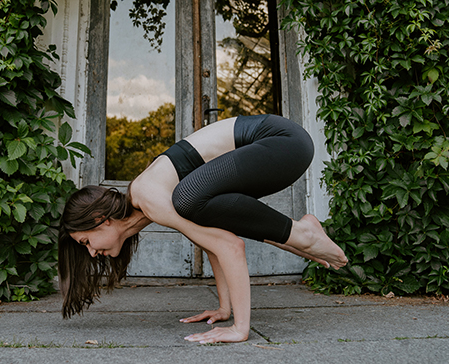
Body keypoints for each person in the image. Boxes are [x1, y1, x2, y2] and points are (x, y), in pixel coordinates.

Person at [58, 114, 348, 344]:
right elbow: (215, 236)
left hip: (282, 142)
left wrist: (239, 328)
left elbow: (230, 246)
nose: (92, 252)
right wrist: (224, 309)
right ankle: (304, 235)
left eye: (86, 241)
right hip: (281, 147)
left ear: (100, 218)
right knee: (197, 205)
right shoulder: (146, 202)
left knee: (186, 199)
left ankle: (305, 234)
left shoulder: (147, 197)